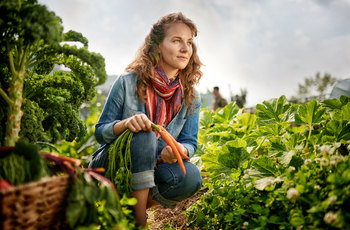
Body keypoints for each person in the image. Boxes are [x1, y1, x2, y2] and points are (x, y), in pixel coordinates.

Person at [88, 12, 203, 227]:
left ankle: (129, 207)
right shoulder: (127, 82)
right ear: (158, 45)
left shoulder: (191, 97)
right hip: (113, 166)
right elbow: (100, 132)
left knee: (191, 177)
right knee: (145, 134)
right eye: (177, 40)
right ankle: (138, 222)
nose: (186, 49)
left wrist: (180, 150)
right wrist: (125, 125)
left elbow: (190, 141)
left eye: (189, 42)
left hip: (154, 169)